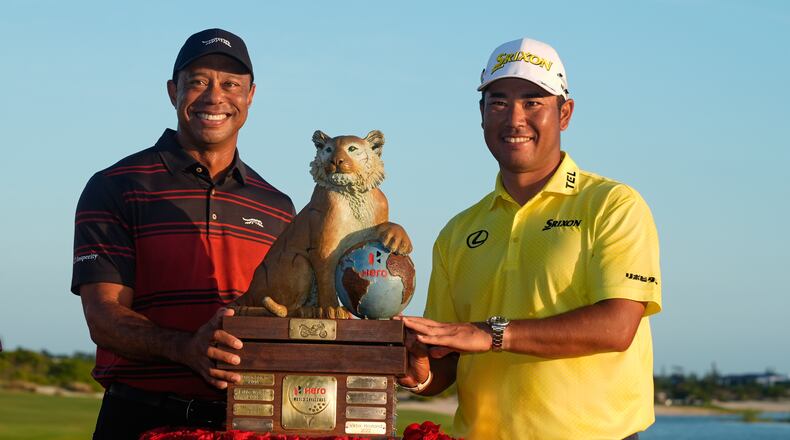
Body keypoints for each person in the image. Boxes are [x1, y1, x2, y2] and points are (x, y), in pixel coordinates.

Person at [398, 38, 662, 439]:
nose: (514, 118)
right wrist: (419, 374)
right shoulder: (458, 231)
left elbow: (616, 327)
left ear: (565, 113)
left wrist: (490, 334)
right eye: (499, 102)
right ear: (482, 114)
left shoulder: (612, 204)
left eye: (533, 102)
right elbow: (447, 358)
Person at [72, 28, 295, 439]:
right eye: (198, 82)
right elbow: (103, 318)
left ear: (250, 96)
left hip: (249, 423)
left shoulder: (277, 206)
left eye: (231, 84)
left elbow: (291, 319)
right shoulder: (116, 185)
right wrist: (187, 348)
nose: (215, 96)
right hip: (139, 417)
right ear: (174, 91)